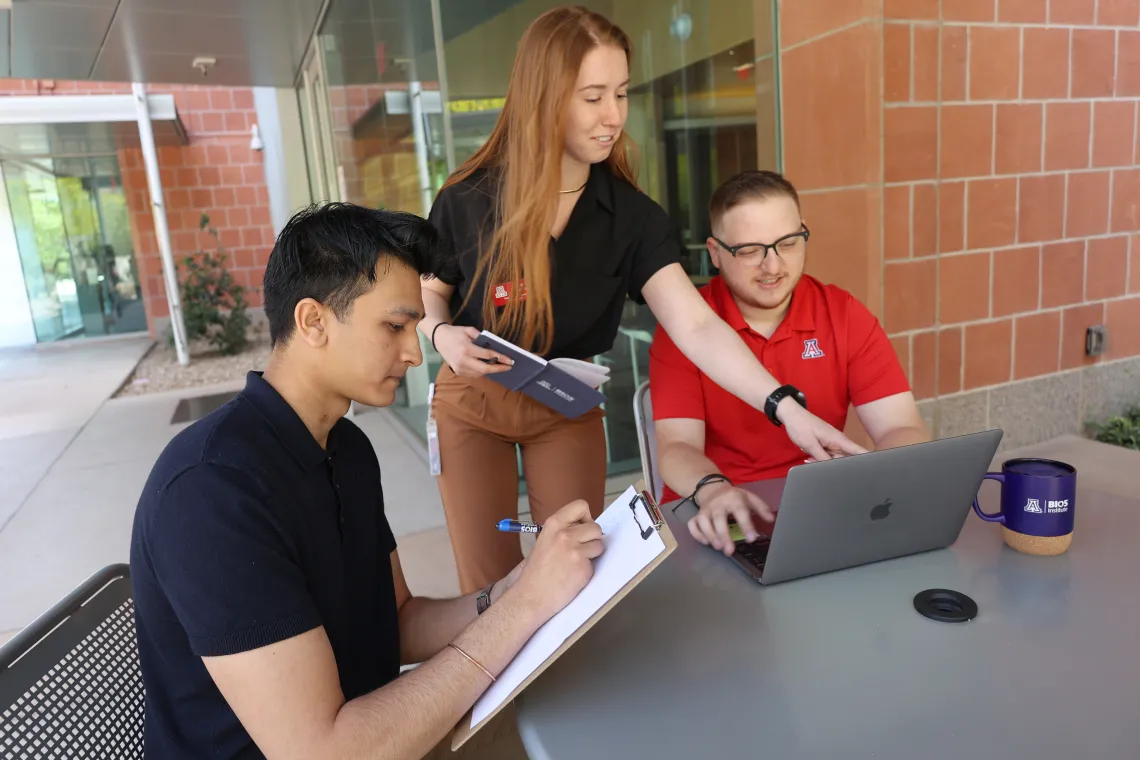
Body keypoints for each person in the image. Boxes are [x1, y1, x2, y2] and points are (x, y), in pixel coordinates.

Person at [129, 203, 606, 760]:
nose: (414, 352)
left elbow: (397, 619)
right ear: (313, 322)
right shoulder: (210, 492)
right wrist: (523, 607)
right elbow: (325, 751)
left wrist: (514, 588)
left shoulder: (345, 447)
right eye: (395, 326)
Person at [419, 5, 864, 594]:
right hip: (472, 400)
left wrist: (787, 407)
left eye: (622, 94)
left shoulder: (631, 217)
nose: (613, 117)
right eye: (593, 97)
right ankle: (508, 689)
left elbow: (696, 326)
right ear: (544, 98)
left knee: (577, 573)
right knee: (489, 585)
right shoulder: (469, 196)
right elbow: (431, 289)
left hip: (565, 401)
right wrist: (438, 333)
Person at [649, 170, 931, 555]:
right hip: (714, 513)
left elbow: (902, 427)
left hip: (820, 509)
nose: (773, 266)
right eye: (749, 250)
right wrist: (713, 491)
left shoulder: (843, 315)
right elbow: (675, 448)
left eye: (788, 242)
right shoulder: (685, 325)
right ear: (714, 253)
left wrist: (872, 481)